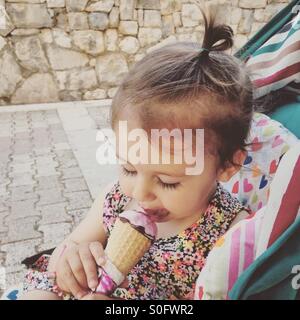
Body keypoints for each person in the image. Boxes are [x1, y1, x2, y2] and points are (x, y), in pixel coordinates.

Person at [19, 9, 253, 300]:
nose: (141, 192)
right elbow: (69, 249)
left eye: (167, 181)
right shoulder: (116, 198)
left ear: (228, 166)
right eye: (129, 169)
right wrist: (73, 261)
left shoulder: (231, 232)